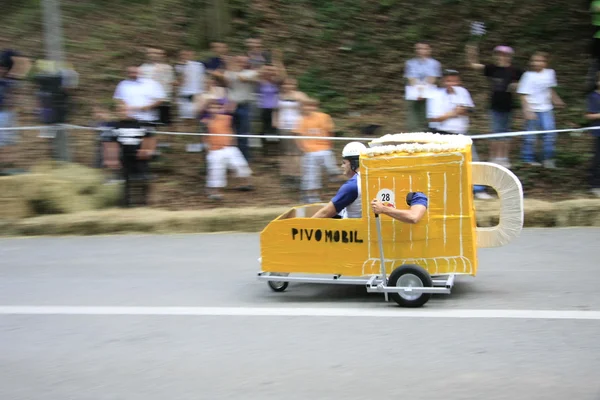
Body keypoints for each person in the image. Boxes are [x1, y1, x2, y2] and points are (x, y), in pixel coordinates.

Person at [427, 69, 492, 200]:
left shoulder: (463, 92)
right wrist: (453, 113)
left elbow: (470, 109)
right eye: (449, 80)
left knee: (472, 161)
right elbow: (433, 118)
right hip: (442, 134)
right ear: (444, 81)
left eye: (454, 80)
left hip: (462, 133)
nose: (452, 83)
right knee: (444, 163)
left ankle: (478, 189)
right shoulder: (435, 95)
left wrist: (462, 111)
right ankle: (443, 191)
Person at [466, 43, 524, 168]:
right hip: (494, 105)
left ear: (509, 56)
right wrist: (471, 50)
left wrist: (517, 86)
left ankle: (504, 158)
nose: (502, 57)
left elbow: (527, 82)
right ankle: (493, 158)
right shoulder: (492, 68)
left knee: (506, 132)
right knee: (495, 132)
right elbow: (473, 65)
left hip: (508, 105)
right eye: (499, 54)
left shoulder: (515, 71)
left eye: (505, 55)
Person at [517, 51, 565, 169]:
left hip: (546, 109)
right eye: (534, 60)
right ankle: (528, 159)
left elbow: (550, 89)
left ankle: (547, 158)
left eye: (539, 60)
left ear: (545, 62)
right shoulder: (528, 75)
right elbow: (522, 94)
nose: (536, 63)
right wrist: (527, 110)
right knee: (530, 136)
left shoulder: (550, 73)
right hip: (533, 108)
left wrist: (557, 100)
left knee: (549, 134)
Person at [103, 103, 156, 207]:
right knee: (124, 183)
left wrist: (146, 150)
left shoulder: (141, 124)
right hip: (124, 158)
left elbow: (150, 137)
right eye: (121, 110)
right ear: (118, 112)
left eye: (126, 110)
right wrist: (112, 159)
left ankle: (144, 204)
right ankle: (126, 205)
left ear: (131, 111)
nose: (124, 112)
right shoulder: (115, 127)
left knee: (143, 180)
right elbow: (110, 143)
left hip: (140, 158)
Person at [201, 99, 253, 200]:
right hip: (215, 150)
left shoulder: (226, 118)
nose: (214, 110)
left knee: (240, 165)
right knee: (216, 171)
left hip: (229, 147)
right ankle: (213, 192)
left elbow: (232, 131)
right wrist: (208, 150)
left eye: (217, 107)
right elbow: (204, 137)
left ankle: (246, 184)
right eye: (212, 107)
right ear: (208, 109)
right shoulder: (205, 122)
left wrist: (233, 142)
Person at [295, 98, 341, 204]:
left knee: (329, 163)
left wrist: (329, 144)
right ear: (302, 108)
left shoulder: (324, 117)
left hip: (324, 149)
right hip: (310, 152)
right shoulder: (301, 120)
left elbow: (330, 132)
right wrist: (303, 148)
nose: (309, 108)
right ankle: (312, 197)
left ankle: (334, 174)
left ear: (315, 107)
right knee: (311, 175)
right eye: (306, 106)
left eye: (311, 106)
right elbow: (298, 136)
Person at [312, 141, 367, 219]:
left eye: (344, 163)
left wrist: (301, 228)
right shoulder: (371, 179)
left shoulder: (352, 186)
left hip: (350, 228)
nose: (342, 166)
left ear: (354, 163)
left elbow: (325, 213)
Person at [585, 71, 600, 198]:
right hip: (598, 132)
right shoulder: (593, 97)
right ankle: (594, 185)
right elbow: (589, 115)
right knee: (598, 159)